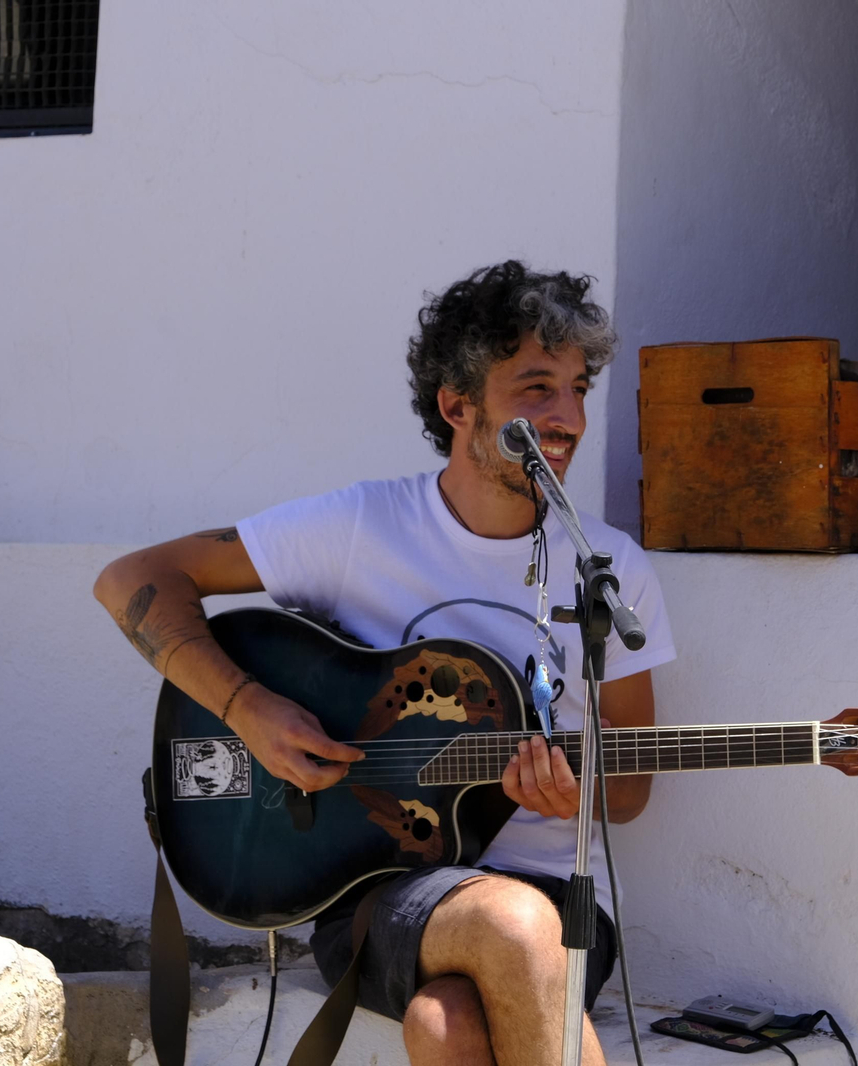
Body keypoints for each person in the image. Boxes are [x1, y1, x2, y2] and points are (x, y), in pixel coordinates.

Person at [93, 260, 675, 1066]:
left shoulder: (612, 567)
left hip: (559, 893)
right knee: (514, 927)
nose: (569, 414)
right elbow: (132, 581)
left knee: (447, 1024)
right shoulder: (362, 528)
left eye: (579, 388)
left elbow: (635, 785)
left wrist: (580, 790)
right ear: (457, 403)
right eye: (537, 387)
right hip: (377, 890)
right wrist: (248, 709)